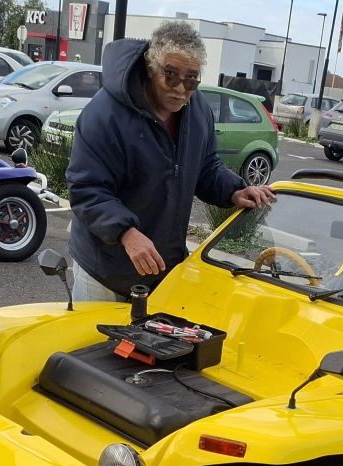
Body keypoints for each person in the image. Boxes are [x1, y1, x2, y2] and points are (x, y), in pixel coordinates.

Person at [65, 20, 274, 301]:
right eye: (171, 76)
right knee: (95, 344)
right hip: (104, 270)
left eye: (191, 79)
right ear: (151, 69)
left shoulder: (198, 110)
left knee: (150, 345)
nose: (181, 89)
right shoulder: (104, 114)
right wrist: (126, 232)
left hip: (162, 272)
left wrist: (234, 189)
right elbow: (86, 189)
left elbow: (206, 166)